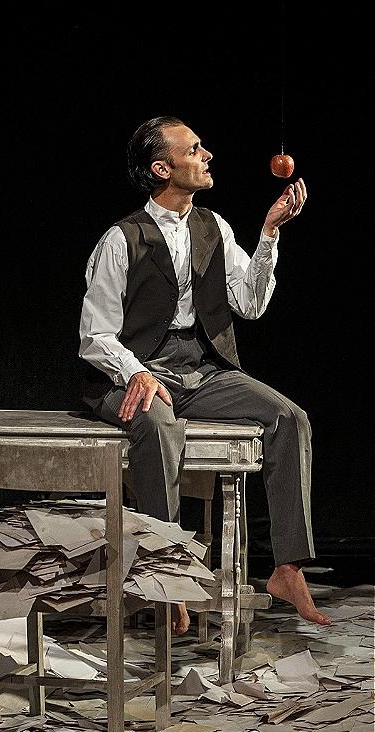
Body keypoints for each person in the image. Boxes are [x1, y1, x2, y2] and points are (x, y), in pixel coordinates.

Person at [78, 115, 331, 635]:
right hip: (134, 371)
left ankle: (287, 567)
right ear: (161, 168)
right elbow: (95, 336)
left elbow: (251, 303)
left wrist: (269, 233)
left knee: (290, 418)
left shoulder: (214, 227)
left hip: (200, 369)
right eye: (194, 150)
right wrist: (135, 374)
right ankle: (167, 575)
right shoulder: (122, 239)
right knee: (160, 427)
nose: (207, 155)